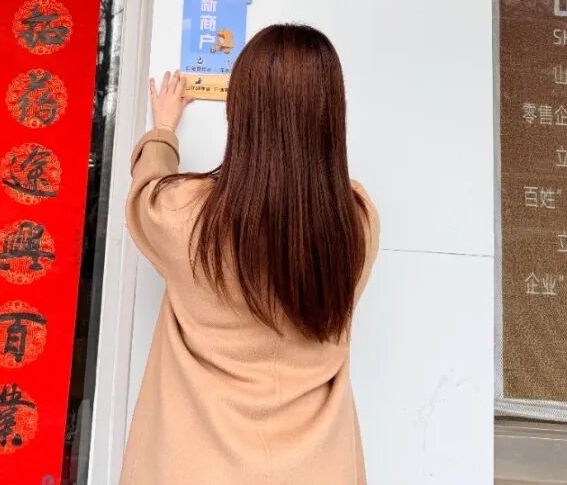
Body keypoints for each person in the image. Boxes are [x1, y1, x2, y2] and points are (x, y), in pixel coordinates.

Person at [121, 24, 379, 484]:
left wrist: (163, 133)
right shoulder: (355, 223)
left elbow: (146, 191)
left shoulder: (185, 216)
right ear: (332, 115)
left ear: (239, 111)